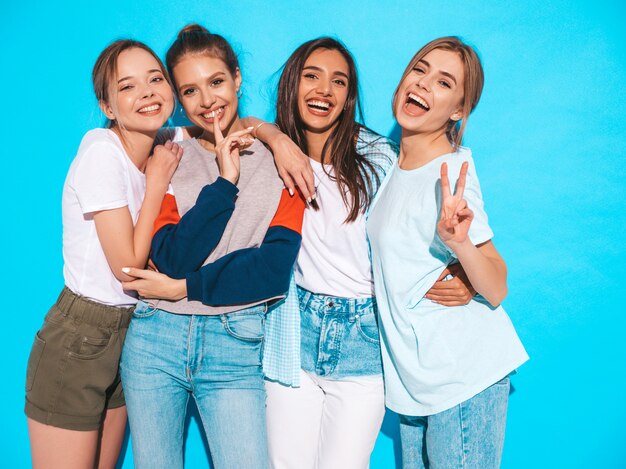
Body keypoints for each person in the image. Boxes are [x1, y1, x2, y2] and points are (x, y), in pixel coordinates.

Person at [261, 38, 476, 469]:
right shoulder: (269, 157)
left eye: (338, 82)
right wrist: (272, 136)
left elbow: (422, 227)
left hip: (365, 340)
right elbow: (229, 127)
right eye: (312, 76)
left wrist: (464, 272)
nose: (324, 89)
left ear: (348, 98)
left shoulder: (379, 158)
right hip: (293, 334)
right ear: (291, 85)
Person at [119, 24, 305, 469]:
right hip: (153, 338)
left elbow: (272, 268)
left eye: (217, 82)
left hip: (234, 340)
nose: (207, 101)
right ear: (179, 99)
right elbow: (172, 257)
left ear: (237, 78)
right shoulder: (166, 151)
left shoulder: (286, 158)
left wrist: (184, 288)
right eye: (190, 90)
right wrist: (225, 181)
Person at [367, 37, 529, 468]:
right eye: (419, 69)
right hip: (417, 378)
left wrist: (460, 245)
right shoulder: (393, 165)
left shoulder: (451, 171)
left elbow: (496, 285)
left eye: (443, 82)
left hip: (460, 376)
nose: (423, 84)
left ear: (458, 110)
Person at [24, 40, 181, 469]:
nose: (147, 92)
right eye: (128, 86)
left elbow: (227, 123)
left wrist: (275, 138)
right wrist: (155, 185)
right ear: (107, 105)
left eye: (156, 79)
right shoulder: (100, 152)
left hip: (132, 334)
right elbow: (127, 268)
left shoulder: (162, 141)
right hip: (79, 339)